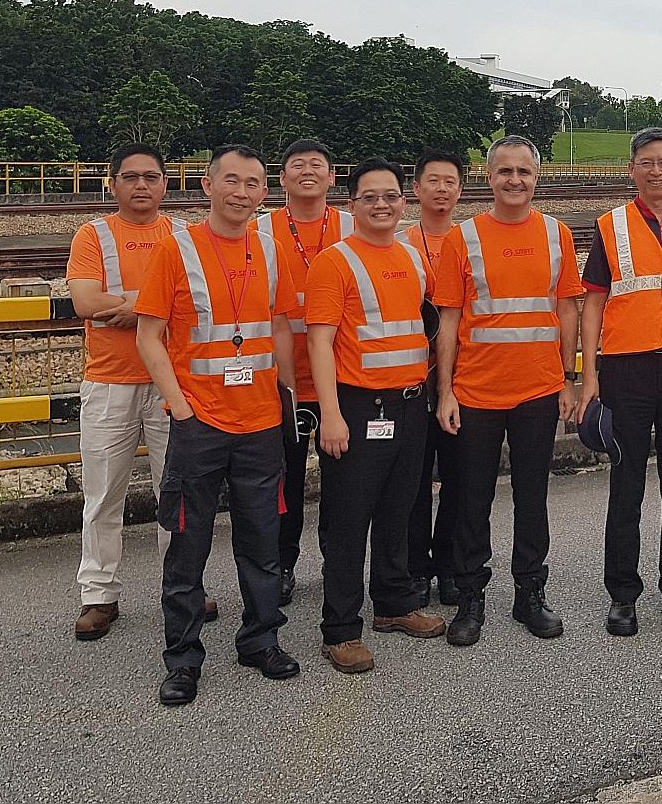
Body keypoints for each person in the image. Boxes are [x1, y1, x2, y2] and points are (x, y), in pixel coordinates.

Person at [136, 144, 301, 706]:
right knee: (188, 543)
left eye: (253, 184)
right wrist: (180, 408)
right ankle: (182, 659)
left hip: (259, 422)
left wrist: (286, 394)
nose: (242, 193)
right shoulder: (174, 250)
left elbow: (278, 327)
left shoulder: (273, 251)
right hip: (199, 420)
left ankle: (260, 640)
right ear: (208, 186)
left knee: (262, 539)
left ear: (264, 191)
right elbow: (147, 336)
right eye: (231, 181)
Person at [434, 136, 582, 645]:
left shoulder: (555, 233)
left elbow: (567, 310)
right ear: (487, 176)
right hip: (475, 390)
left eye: (524, 171)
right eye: (505, 172)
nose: (514, 180)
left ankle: (529, 594)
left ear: (536, 178)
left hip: (538, 389)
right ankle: (471, 596)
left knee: (532, 497)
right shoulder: (464, 237)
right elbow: (449, 319)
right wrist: (446, 391)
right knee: (472, 499)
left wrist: (569, 378)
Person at [304, 158, 445, 674]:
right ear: (352, 205)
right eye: (370, 197)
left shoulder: (411, 259)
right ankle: (340, 629)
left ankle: (394, 603)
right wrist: (331, 415)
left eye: (390, 195)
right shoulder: (334, 262)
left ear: (402, 203)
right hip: (358, 408)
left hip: (409, 405)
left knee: (399, 510)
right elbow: (319, 341)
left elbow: (420, 325)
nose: (382, 204)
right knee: (347, 520)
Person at [579, 127, 662, 636]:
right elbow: (593, 300)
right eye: (646, 163)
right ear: (632, 169)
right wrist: (588, 373)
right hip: (626, 369)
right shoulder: (610, 225)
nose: (655, 171)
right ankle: (623, 594)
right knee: (626, 486)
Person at [68, 144, 208, 640]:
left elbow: (195, 302)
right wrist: (150, 307)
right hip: (109, 382)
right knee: (104, 494)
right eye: (131, 177)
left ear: (167, 183)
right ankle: (99, 594)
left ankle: (183, 585)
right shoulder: (94, 235)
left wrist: (127, 308)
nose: (141, 185)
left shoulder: (184, 236)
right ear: (113, 183)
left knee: (178, 490)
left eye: (152, 176)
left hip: (173, 380)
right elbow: (85, 301)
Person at [255, 139, 354, 608]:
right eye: (298, 165)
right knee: (284, 482)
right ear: (282, 178)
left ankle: (340, 563)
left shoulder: (356, 225)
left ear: (333, 177)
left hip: (344, 377)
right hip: (283, 379)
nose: (308, 171)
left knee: (342, 482)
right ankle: (283, 564)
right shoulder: (259, 231)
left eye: (319, 164)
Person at [400, 149, 467, 609]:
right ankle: (415, 569)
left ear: (460, 190)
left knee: (461, 479)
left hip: (465, 378)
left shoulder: (469, 241)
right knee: (412, 481)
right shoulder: (400, 243)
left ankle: (451, 566)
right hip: (411, 379)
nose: (441, 189)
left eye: (450, 182)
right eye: (433, 181)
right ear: (417, 189)